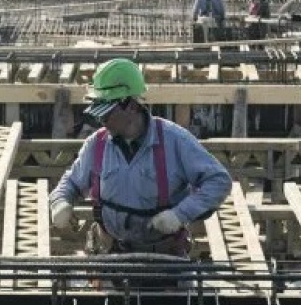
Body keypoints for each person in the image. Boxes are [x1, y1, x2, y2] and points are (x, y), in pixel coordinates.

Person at [49, 58, 232, 262]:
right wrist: (60, 202)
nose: (101, 119)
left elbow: (218, 180)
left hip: (163, 259)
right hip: (108, 253)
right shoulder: (97, 144)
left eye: (106, 112)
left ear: (131, 106)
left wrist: (180, 214)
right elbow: (72, 182)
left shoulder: (174, 141)